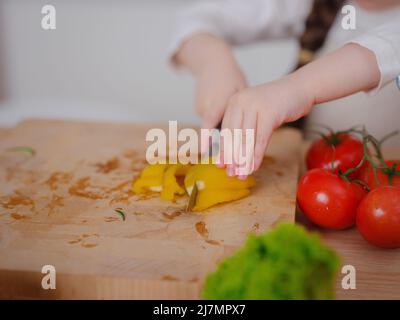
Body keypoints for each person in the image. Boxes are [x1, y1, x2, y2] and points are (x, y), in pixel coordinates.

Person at [168, 0, 400, 177]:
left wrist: (300, 87)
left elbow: (389, 45)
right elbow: (194, 19)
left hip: (387, 189)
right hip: (316, 178)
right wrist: (213, 64)